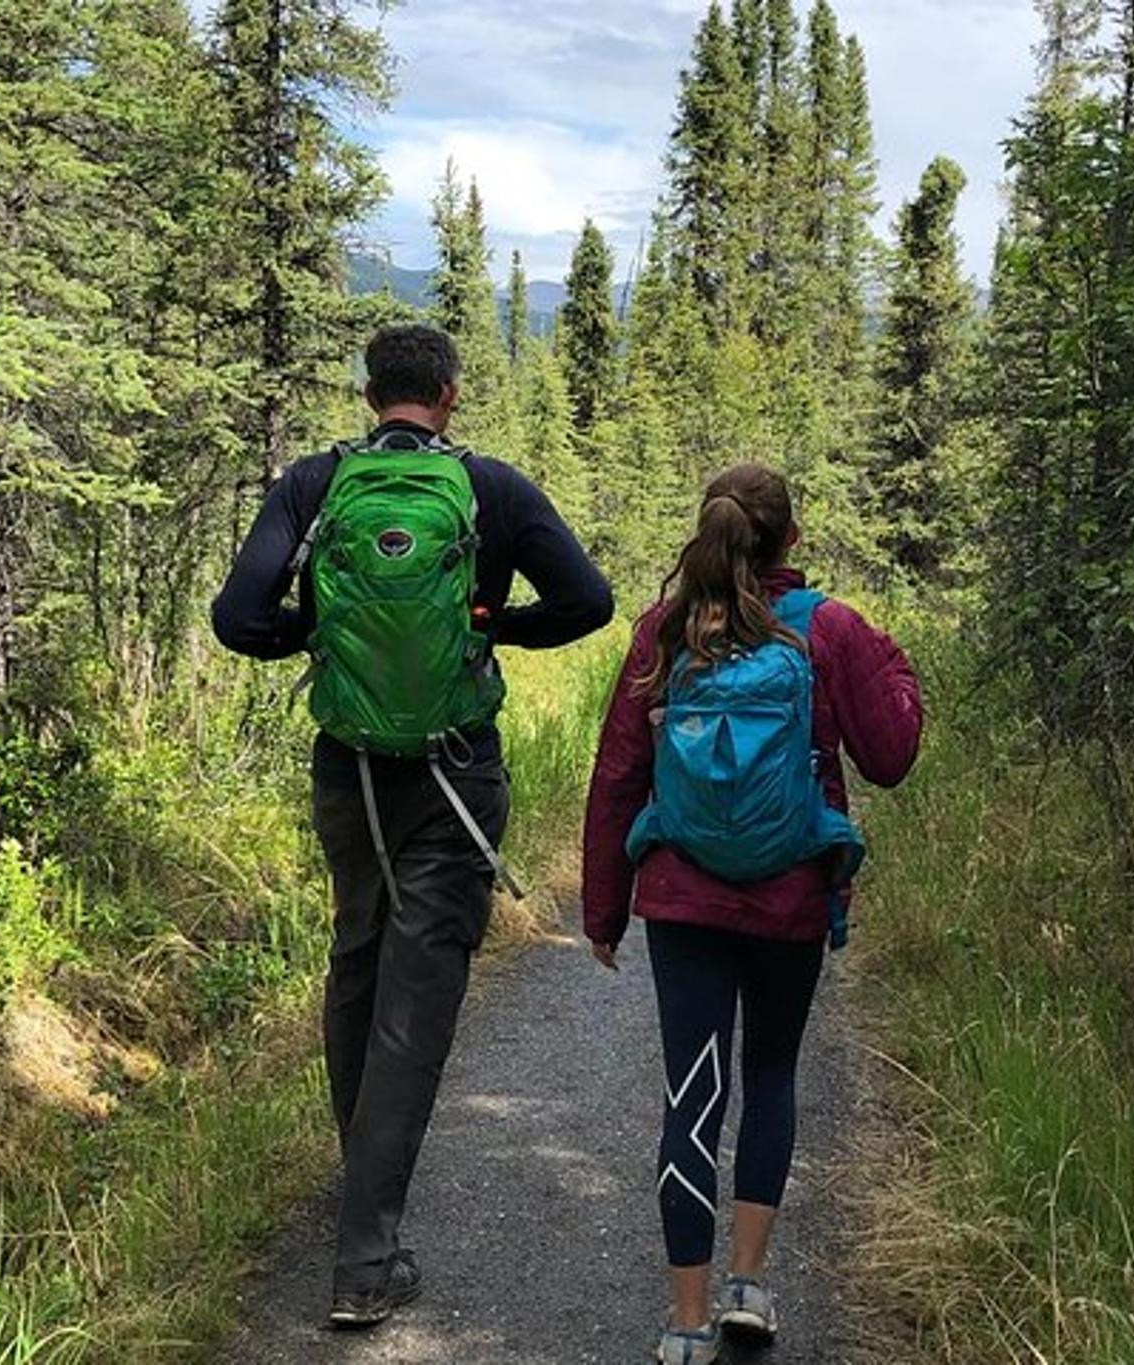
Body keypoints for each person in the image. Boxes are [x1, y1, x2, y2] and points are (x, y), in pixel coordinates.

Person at [214, 322, 613, 1328]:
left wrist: (318, 628)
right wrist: (495, 626)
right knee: (417, 1002)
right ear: (447, 394)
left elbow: (236, 619)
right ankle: (364, 1257)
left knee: (357, 960)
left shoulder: (315, 484)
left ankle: (364, 1197)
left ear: (367, 395)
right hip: (451, 774)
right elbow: (588, 602)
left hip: (347, 765)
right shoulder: (493, 491)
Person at [581, 463, 922, 1365]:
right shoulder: (827, 629)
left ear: (709, 530)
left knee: (691, 1095)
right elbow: (890, 756)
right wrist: (897, 670)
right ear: (791, 542)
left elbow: (620, 772)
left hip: (684, 900)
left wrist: (605, 909)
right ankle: (749, 1286)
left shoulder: (666, 630)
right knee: (771, 1077)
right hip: (790, 897)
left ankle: (686, 1322)